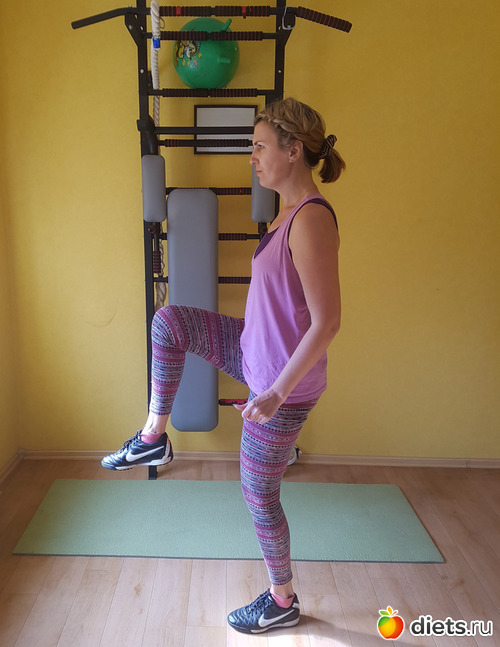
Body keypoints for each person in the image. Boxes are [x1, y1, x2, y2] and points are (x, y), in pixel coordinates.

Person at [101, 97, 344, 634]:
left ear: (293, 150)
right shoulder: (286, 214)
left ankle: (282, 600)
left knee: (258, 493)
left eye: (259, 146)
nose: (251, 157)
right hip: (252, 351)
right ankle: (153, 437)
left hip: (282, 384)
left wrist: (276, 393)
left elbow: (327, 322)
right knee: (170, 322)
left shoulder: (310, 219)